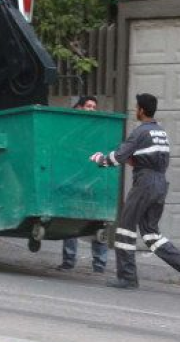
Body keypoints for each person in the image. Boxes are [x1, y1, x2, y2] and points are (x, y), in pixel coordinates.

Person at [89, 93, 180, 290]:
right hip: (159, 183)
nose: (135, 110)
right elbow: (148, 157)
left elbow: (118, 157)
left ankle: (128, 277)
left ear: (141, 110)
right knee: (150, 234)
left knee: (125, 228)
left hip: (145, 183)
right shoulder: (161, 133)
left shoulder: (141, 132)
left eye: (136, 107)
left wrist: (100, 159)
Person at [56, 95, 108, 273]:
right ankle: (69, 261)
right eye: (88, 106)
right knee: (71, 219)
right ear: (79, 108)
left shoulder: (98, 129)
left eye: (94, 107)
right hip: (75, 178)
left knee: (98, 221)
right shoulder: (72, 128)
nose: (92, 110)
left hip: (93, 179)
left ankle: (99, 265)